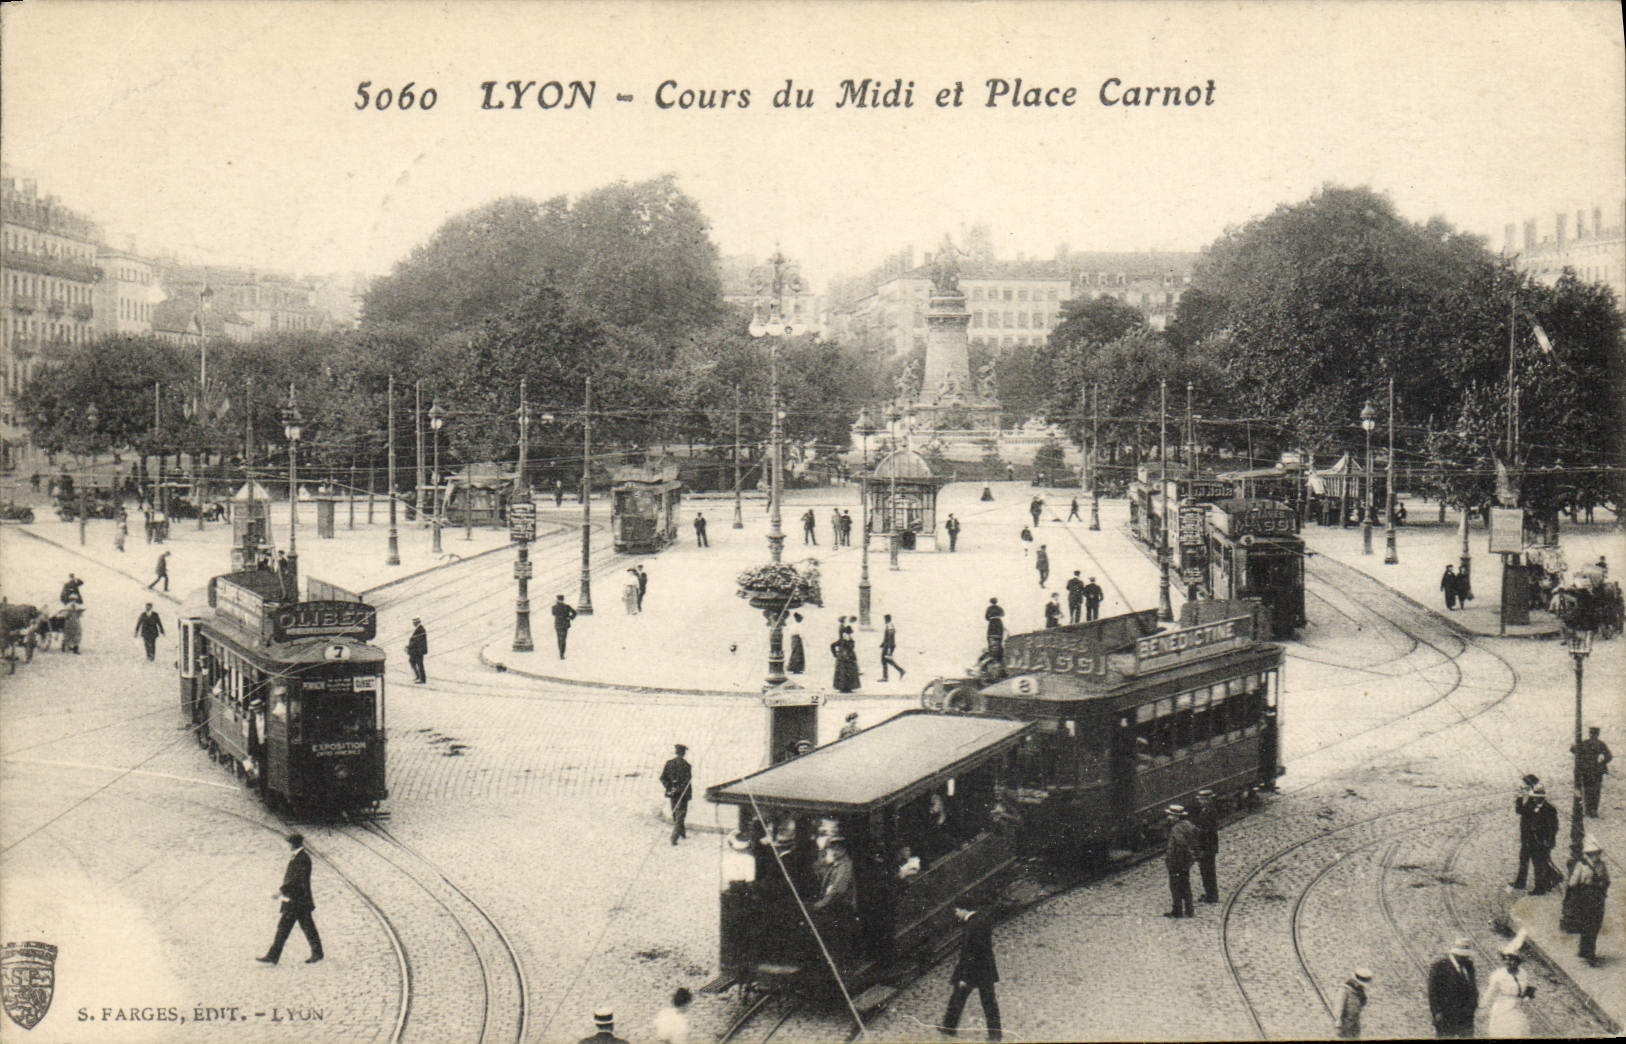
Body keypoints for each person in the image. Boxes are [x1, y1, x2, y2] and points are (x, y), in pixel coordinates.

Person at [257, 833, 323, 965]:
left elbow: (296, 880)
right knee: (293, 927)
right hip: (295, 900)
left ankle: (274, 956)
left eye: (289, 843)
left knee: (295, 928)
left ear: (293, 844)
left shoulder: (302, 858)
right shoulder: (298, 857)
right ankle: (274, 956)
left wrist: (281, 891)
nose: (288, 846)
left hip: (298, 901)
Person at [940, 902, 1002, 1041]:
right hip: (985, 970)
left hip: (973, 972)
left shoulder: (972, 925)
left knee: (958, 998)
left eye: (957, 911)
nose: (956, 914)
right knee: (988, 1003)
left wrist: (964, 977)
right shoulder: (980, 921)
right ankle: (995, 1035)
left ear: (963, 910)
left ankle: (949, 1028)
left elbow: (971, 952)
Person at [1479, 937, 1533, 1038]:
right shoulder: (1499, 974)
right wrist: (1482, 1007)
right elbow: (1490, 992)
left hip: (1517, 1008)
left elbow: (1527, 989)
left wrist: (1527, 996)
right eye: (1506, 960)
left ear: (1518, 961)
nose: (1508, 962)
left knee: (1518, 1032)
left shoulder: (1523, 973)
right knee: (1503, 1033)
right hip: (1502, 1008)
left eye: (1512, 960)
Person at [1567, 836, 1610, 964]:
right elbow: (1572, 882)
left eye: (1597, 853)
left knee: (1596, 923)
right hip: (1585, 898)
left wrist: (1603, 886)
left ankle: (1586, 949)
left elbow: (1607, 880)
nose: (1595, 856)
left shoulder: (1602, 865)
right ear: (1588, 854)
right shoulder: (1581, 865)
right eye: (1592, 854)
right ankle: (1588, 951)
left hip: (1598, 897)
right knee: (1587, 924)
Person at [1511, 781, 1559, 894]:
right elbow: (1519, 810)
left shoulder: (1550, 809)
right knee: (1524, 861)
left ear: (1543, 797)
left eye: (1538, 797)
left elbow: (1553, 828)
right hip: (1528, 840)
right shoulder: (1530, 805)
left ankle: (1540, 888)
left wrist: (1548, 841)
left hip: (1541, 842)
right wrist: (1519, 797)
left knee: (1539, 865)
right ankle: (1520, 882)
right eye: (1534, 797)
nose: (1536, 799)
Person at [1427, 937, 1478, 1038]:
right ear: (1455, 954)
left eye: (1466, 956)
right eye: (1463, 956)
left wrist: (1473, 1005)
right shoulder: (1440, 966)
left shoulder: (1469, 966)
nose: (1465, 958)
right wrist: (1436, 1012)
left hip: (1466, 1016)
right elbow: (1433, 992)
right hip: (1446, 1015)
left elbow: (1473, 987)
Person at [1164, 804, 1198, 918]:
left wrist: (1175, 860)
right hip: (1186, 862)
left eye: (1171, 815)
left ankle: (1177, 911)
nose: (1168, 817)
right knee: (1186, 885)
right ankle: (1189, 910)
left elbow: (1181, 844)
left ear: (1176, 817)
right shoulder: (1188, 825)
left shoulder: (1176, 829)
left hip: (1176, 862)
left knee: (1175, 886)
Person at [1571, 725, 1612, 817]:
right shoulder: (1600, 744)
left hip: (1588, 771)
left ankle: (1589, 810)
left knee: (1588, 791)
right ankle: (1593, 810)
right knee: (1595, 791)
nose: (1593, 736)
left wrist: (1574, 745)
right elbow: (1609, 756)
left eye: (1593, 734)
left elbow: (1573, 750)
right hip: (1596, 772)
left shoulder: (1586, 743)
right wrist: (1603, 760)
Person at [1192, 788, 1220, 903]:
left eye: (1202, 799)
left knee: (1208, 872)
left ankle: (1212, 896)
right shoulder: (1206, 810)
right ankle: (1209, 893)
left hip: (1207, 847)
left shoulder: (1210, 812)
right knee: (1206, 871)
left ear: (1208, 800)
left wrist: (1197, 832)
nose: (1200, 801)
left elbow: (1208, 831)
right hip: (1207, 847)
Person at [660, 743, 692, 845]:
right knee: (680, 815)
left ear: (676, 752)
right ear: (684, 753)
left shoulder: (669, 763)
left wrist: (669, 787)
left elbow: (662, 778)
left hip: (672, 793)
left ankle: (682, 833)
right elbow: (687, 782)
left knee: (675, 814)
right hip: (682, 794)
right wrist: (680, 790)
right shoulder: (687, 765)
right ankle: (674, 838)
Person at [1333, 968, 1373, 1039]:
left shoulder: (1360, 991)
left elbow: (1362, 1004)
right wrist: (1338, 1021)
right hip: (1344, 1025)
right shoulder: (1344, 990)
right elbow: (1338, 1007)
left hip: (1355, 1025)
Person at [832, 621, 860, 693]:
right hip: (847, 659)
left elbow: (832, 645)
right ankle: (846, 688)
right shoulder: (846, 639)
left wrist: (835, 654)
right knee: (846, 673)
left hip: (845, 658)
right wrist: (835, 654)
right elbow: (833, 645)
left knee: (844, 673)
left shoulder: (844, 639)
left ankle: (844, 687)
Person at [880, 614, 906, 681]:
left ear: (887, 619)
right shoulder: (889, 625)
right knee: (887, 660)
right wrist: (883, 643)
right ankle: (900, 670)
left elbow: (890, 637)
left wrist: (888, 647)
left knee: (884, 660)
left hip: (889, 645)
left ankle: (885, 677)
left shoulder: (889, 626)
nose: (884, 621)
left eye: (885, 619)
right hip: (888, 645)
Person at [551, 595, 577, 659]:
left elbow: (553, 613)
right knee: (563, 639)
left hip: (558, 625)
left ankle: (560, 652)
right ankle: (562, 654)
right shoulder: (567, 607)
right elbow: (575, 612)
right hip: (565, 625)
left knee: (559, 639)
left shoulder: (554, 607)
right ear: (563, 600)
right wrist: (570, 617)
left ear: (557, 600)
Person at [406, 618, 429, 683]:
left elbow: (416, 641)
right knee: (412, 661)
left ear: (416, 623)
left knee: (419, 664)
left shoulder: (420, 629)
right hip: (415, 650)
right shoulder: (419, 629)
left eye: (414, 623)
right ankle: (418, 676)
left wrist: (409, 647)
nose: (413, 624)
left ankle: (422, 679)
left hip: (418, 651)